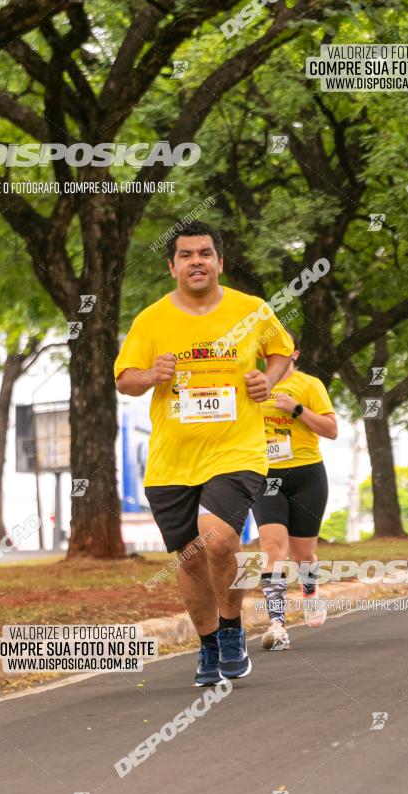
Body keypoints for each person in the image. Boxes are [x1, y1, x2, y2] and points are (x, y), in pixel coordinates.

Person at [114, 221, 294, 685]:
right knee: (191, 557)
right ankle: (209, 644)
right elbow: (124, 379)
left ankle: (232, 631)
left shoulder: (252, 310)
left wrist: (268, 380)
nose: (197, 261)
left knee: (218, 540)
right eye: (187, 254)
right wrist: (151, 375)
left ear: (219, 262)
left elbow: (282, 353)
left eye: (205, 253)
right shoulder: (151, 320)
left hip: (236, 450)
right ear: (172, 266)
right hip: (171, 459)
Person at [251, 331, 338, 650]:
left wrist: (296, 409)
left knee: (303, 554)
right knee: (273, 549)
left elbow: (331, 430)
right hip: (265, 475)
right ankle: (277, 624)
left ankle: (310, 592)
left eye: (282, 349)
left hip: (307, 475)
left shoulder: (310, 385)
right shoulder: (252, 385)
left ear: (295, 354)